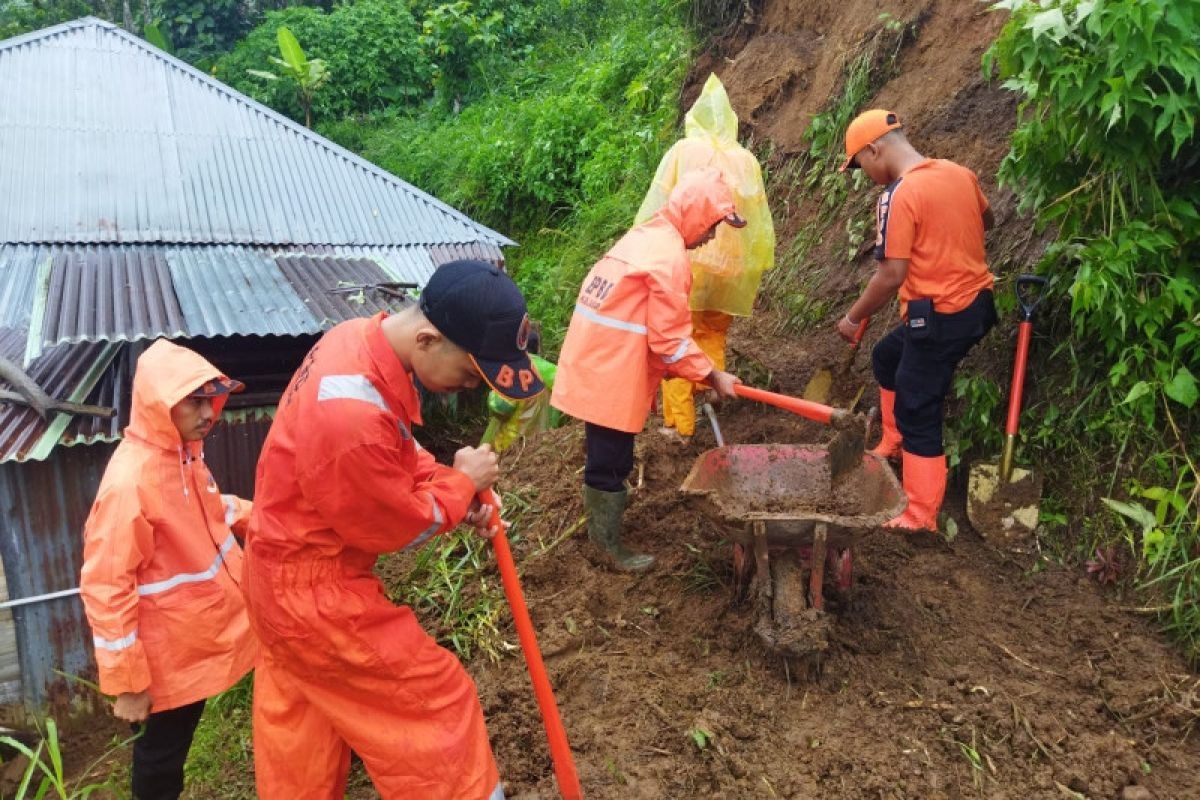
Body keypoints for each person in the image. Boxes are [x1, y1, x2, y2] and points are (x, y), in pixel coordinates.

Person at [243, 259, 542, 799]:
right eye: (471, 373)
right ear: (427, 339)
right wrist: (456, 489)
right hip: (315, 594)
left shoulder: (357, 341)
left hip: (278, 580)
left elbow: (393, 452)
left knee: (304, 736)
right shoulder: (349, 414)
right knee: (433, 703)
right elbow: (391, 524)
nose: (471, 386)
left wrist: (448, 479)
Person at [80, 340, 257, 800]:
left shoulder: (183, 455)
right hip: (170, 656)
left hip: (211, 633)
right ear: (160, 406)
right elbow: (105, 586)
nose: (207, 412)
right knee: (160, 762)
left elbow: (208, 510)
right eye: (193, 401)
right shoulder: (130, 482)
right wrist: (129, 683)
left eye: (209, 399)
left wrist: (268, 520)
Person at [552, 167, 744, 572]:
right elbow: (669, 340)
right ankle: (606, 549)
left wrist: (688, 372)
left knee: (609, 455)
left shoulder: (645, 237)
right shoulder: (669, 259)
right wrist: (711, 375)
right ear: (697, 215)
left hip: (598, 359)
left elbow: (645, 324)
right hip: (609, 369)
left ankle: (604, 537)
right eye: (711, 226)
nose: (710, 236)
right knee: (610, 460)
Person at [835, 109, 997, 531]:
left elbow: (891, 275)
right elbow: (988, 219)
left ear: (875, 149)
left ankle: (920, 514)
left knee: (916, 402)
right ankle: (892, 443)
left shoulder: (899, 194)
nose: (864, 174)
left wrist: (854, 318)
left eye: (860, 165)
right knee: (889, 358)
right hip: (977, 305)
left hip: (942, 315)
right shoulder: (959, 174)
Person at [634, 73, 775, 442]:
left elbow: (658, 203)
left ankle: (679, 425)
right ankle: (713, 389)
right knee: (712, 331)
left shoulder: (682, 152)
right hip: (730, 266)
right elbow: (759, 220)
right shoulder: (746, 160)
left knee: (677, 336)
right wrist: (753, 261)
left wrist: (645, 247)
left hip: (689, 257)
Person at [480, 327, 561, 453]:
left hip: (511, 445)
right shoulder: (555, 372)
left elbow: (501, 407)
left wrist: (493, 394)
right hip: (543, 444)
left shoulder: (514, 370)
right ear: (538, 347)